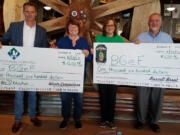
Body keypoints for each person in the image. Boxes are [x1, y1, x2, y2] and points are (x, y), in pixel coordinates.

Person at [0, 2, 48, 133]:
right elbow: (4, 41)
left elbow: (44, 49)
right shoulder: (14, 26)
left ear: (36, 13)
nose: (29, 14)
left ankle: (33, 116)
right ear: (23, 12)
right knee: (19, 93)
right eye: (27, 11)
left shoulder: (42, 31)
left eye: (32, 12)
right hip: (18, 67)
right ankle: (17, 119)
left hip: (34, 67)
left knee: (33, 93)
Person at [134, 13, 173, 133]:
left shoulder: (167, 38)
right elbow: (130, 53)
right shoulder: (140, 37)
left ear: (160, 23)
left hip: (160, 74)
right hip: (143, 73)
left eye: (157, 21)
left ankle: (154, 122)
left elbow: (173, 57)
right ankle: (141, 120)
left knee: (158, 98)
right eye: (152, 21)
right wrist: (134, 46)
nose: (154, 23)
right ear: (148, 23)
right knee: (141, 97)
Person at [50, 19, 92, 130]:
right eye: (70, 27)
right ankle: (65, 119)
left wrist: (87, 54)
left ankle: (77, 119)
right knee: (65, 98)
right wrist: (53, 51)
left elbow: (90, 58)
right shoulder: (62, 41)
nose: (73, 28)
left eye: (75, 27)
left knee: (78, 99)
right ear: (67, 29)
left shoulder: (83, 42)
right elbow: (55, 57)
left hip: (79, 78)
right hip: (64, 78)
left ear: (79, 29)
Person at [95, 18, 124, 129]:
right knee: (102, 97)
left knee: (112, 98)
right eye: (107, 25)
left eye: (111, 25)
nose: (109, 27)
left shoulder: (120, 40)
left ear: (115, 27)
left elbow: (123, 58)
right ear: (104, 27)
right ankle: (103, 119)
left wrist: (120, 77)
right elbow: (97, 57)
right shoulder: (99, 38)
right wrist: (94, 51)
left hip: (114, 74)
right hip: (102, 73)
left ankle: (111, 120)